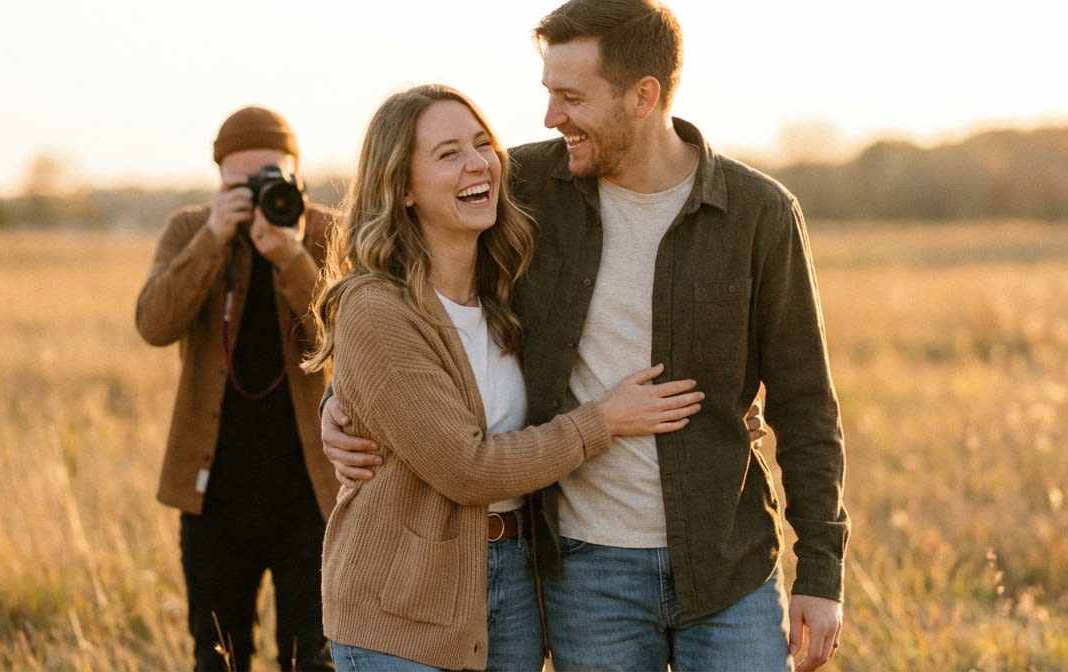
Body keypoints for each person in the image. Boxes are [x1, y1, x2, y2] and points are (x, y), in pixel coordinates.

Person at [324, 1, 850, 669]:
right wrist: (342, 403)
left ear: (643, 97)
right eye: (549, 93)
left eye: (571, 98)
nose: (551, 117)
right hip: (583, 572)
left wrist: (821, 574)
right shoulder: (526, 188)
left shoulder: (758, 214)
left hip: (727, 566)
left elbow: (806, 405)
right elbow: (404, 286)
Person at [302, 84, 704, 672]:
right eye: (448, 153)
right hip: (402, 604)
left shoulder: (511, 292)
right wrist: (604, 422)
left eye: (482, 144)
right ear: (403, 188)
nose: (477, 163)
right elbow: (466, 469)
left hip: (514, 586)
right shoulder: (377, 309)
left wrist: (724, 402)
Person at [135, 105, 337, 671]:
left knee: (312, 657)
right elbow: (153, 325)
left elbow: (350, 339)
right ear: (219, 183)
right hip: (215, 495)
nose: (257, 194)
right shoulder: (190, 229)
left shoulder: (327, 232)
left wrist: (291, 255)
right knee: (218, 657)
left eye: (271, 179)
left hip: (312, 492)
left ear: (296, 173)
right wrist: (212, 239)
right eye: (238, 185)